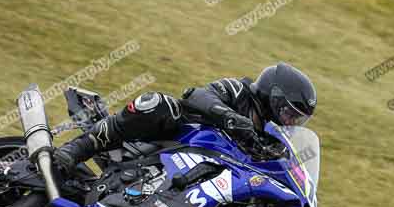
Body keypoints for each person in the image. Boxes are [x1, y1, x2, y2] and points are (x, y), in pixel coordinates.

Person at [53, 62, 317, 173]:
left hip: (205, 173)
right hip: (174, 142)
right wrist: (230, 117)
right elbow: (197, 96)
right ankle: (78, 148)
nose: (291, 121)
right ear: (274, 96)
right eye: (290, 113)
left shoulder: (269, 134)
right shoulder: (239, 91)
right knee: (157, 104)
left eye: (297, 119)